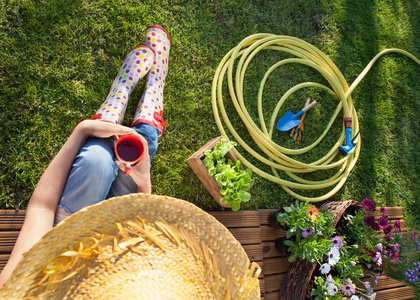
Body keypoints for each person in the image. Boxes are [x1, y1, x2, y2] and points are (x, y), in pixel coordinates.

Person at [0, 25, 170, 287]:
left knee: (98, 161)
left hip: (68, 230)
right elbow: (135, 242)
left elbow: (42, 208)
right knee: (139, 147)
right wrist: (144, 182)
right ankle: (154, 90)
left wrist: (83, 130)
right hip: (113, 238)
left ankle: (117, 99)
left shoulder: (14, 288)